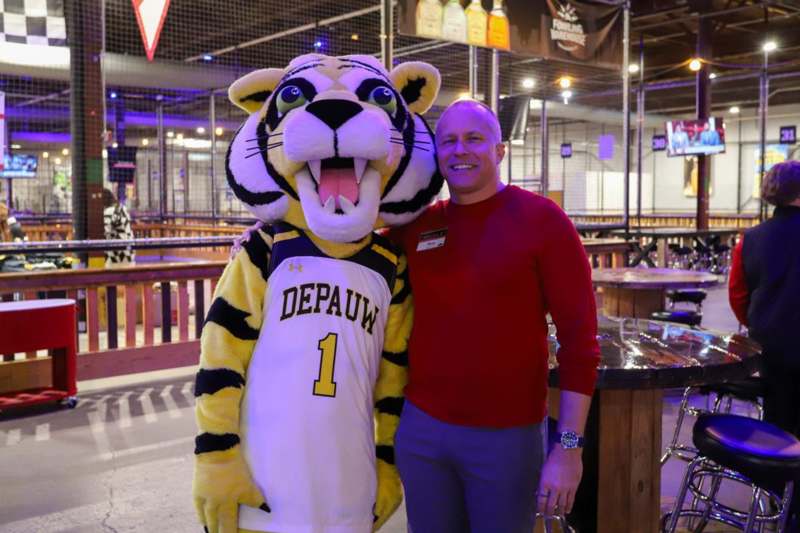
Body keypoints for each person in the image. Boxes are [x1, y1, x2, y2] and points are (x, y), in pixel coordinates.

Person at [387, 99, 600, 533]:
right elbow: (346, 251)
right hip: (423, 430)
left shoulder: (543, 221)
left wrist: (570, 448)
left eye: (474, 139)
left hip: (507, 436)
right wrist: (266, 239)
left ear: (500, 151)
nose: (459, 149)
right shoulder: (419, 226)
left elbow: (581, 346)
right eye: (448, 141)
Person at [729, 160, 800, 519]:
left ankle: (777, 508)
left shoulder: (751, 239)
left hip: (771, 348)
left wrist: (759, 327)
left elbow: (738, 296)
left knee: (779, 428)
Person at [102, 188, 135, 267]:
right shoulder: (122, 208)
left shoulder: (108, 212)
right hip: (129, 253)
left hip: (116, 257)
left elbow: (106, 232)